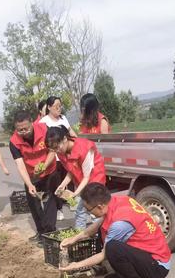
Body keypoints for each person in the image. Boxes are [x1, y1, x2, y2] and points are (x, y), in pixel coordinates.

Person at [59, 183, 171, 278]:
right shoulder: (119, 201)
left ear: (100, 206)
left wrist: (76, 266)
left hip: (157, 267)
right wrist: (74, 239)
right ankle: (125, 273)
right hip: (146, 255)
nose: (87, 212)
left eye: (88, 209)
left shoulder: (120, 223)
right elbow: (99, 224)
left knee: (113, 248)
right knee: (105, 233)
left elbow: (103, 255)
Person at [10, 110, 58, 246]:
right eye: (20, 130)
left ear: (32, 122)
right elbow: (20, 164)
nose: (24, 132)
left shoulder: (44, 129)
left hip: (49, 171)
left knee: (49, 202)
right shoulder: (14, 141)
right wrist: (29, 184)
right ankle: (41, 232)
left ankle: (50, 233)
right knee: (34, 204)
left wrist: (44, 165)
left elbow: (52, 151)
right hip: (31, 175)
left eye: (26, 128)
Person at [45, 127, 106, 229]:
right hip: (82, 182)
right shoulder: (61, 152)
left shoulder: (84, 148)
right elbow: (71, 170)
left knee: (95, 211)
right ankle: (80, 236)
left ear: (65, 139)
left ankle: (102, 235)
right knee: (81, 211)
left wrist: (75, 193)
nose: (57, 151)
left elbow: (87, 177)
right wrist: (62, 185)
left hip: (95, 181)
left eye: (57, 147)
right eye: (54, 149)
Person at [38, 96, 77, 220]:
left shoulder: (63, 118)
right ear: (49, 107)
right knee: (56, 184)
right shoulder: (43, 122)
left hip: (66, 156)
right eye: (56, 106)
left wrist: (78, 143)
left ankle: (72, 203)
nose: (59, 109)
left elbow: (71, 133)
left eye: (60, 106)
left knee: (70, 181)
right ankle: (59, 209)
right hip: (54, 159)